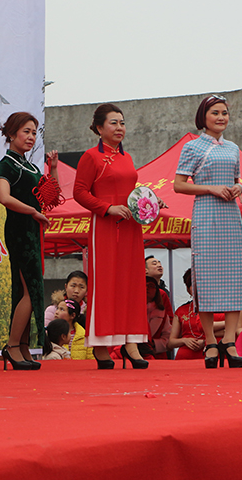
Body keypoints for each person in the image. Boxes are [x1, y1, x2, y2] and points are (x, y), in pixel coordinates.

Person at [173, 95, 242, 369]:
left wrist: (239, 187)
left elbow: (236, 180)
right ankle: (210, 342)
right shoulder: (192, 146)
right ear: (203, 117)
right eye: (215, 112)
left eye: (224, 113)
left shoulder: (233, 148)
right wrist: (211, 189)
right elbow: (179, 185)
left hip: (230, 214)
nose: (221, 117)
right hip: (206, 212)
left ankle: (229, 340)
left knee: (234, 275)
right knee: (205, 278)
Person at [73, 103, 149, 370]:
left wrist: (149, 202)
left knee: (131, 282)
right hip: (104, 226)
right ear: (99, 127)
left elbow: (131, 192)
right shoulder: (91, 157)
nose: (120, 127)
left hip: (131, 226)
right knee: (105, 283)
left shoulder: (127, 158)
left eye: (122, 123)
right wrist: (107, 208)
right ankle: (101, 345)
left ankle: (131, 343)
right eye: (114, 123)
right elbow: (79, 192)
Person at [0, 111, 57, 371]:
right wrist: (32, 211)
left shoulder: (31, 167)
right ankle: (12, 346)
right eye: (26, 132)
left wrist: (53, 168)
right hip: (20, 229)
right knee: (30, 291)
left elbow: (50, 197)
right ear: (11, 134)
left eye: (34, 133)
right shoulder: (6, 164)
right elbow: (4, 197)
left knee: (27, 291)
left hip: (33, 229)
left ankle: (22, 346)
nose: (31, 137)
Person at [168, 268, 226, 360]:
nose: (198, 289)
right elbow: (171, 343)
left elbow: (232, 331)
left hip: (214, 354)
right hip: (184, 358)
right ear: (188, 289)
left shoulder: (222, 307)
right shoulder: (181, 310)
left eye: (201, 285)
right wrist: (184, 340)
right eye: (192, 285)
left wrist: (205, 341)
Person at [144, 276, 172, 359]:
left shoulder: (163, 314)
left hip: (157, 356)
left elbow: (168, 337)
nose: (147, 288)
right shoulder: (130, 312)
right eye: (144, 285)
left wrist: (153, 343)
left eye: (151, 286)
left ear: (156, 290)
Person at [145, 255, 173, 320]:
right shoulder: (142, 290)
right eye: (154, 264)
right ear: (145, 270)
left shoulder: (165, 291)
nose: (159, 265)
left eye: (160, 263)